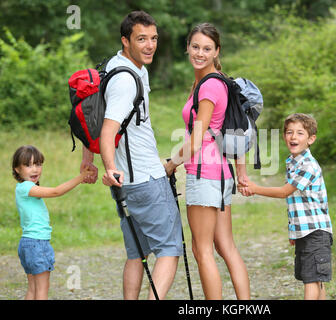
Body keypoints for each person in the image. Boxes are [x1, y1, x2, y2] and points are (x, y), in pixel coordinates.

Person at [82, 11, 183, 300]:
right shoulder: (126, 80)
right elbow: (108, 127)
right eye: (142, 39)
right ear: (126, 40)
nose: (150, 45)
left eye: (153, 38)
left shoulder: (114, 66)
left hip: (128, 184)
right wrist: (110, 168)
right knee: (169, 250)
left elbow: (95, 115)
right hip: (144, 180)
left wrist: (89, 161)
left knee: (137, 254)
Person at [164, 23, 250, 300]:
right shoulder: (216, 81)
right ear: (188, 47)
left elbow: (197, 139)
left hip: (205, 174)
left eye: (207, 48)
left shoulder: (210, 86)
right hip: (222, 173)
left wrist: (170, 164)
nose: (200, 53)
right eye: (195, 46)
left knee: (202, 250)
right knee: (226, 247)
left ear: (217, 51)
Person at [238, 113, 333, 300]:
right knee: (315, 279)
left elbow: (284, 192)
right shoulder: (292, 163)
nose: (293, 137)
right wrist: (294, 232)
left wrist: (256, 189)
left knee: (311, 281)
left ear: (311, 139)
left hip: (316, 232)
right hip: (305, 232)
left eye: (300, 133)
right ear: (284, 137)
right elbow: (296, 203)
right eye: (289, 132)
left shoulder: (308, 165)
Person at [12, 145, 92, 300]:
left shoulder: (21, 188)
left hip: (27, 243)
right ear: (17, 169)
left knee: (32, 290)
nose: (34, 169)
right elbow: (56, 191)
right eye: (28, 165)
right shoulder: (27, 188)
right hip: (37, 243)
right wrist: (82, 176)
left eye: (38, 164)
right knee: (42, 292)